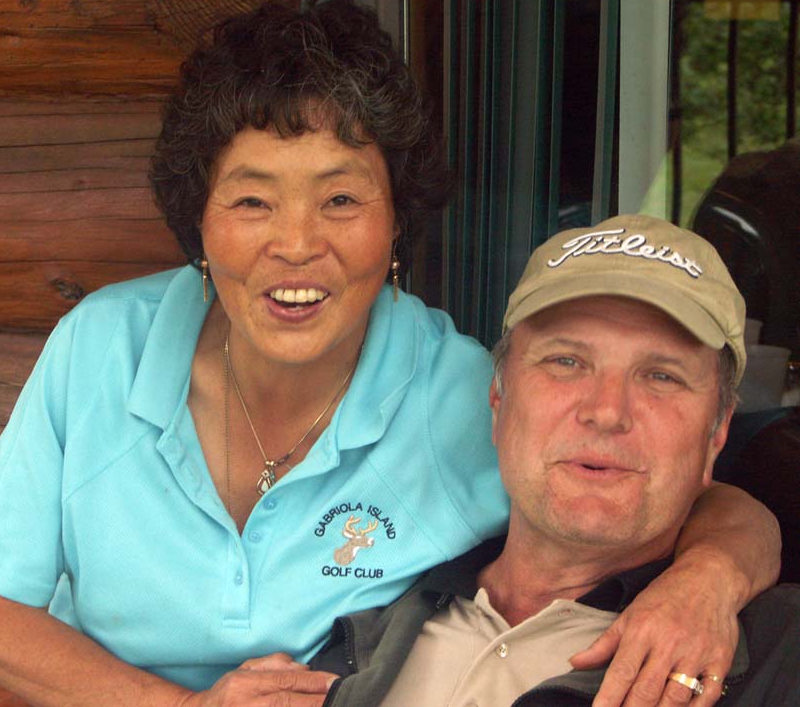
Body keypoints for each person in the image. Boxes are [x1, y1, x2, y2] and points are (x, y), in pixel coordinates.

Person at [0, 0, 779, 707]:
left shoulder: (461, 394)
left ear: (395, 223)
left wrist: (706, 581)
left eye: (341, 199)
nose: (296, 245)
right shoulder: (102, 347)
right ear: (199, 220)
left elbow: (703, 497)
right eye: (252, 200)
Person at [311, 214, 799, 707]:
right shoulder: (362, 605)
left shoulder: (779, 653)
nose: (607, 411)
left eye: (662, 376)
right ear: (498, 399)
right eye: (566, 361)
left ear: (717, 433)